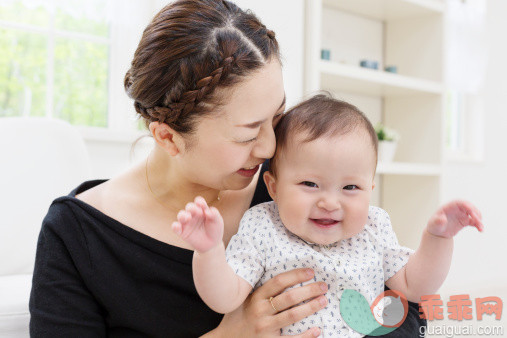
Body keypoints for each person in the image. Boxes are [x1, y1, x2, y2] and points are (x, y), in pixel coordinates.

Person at [28, 0, 425, 337]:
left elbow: (404, 309)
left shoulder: (293, 183)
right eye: (247, 133)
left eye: (277, 116)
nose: (270, 146)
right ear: (167, 137)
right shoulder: (77, 235)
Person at [171, 94, 484, 337]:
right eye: (310, 184)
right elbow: (224, 299)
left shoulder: (373, 227)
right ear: (274, 186)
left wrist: (438, 238)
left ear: (370, 188)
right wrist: (209, 250)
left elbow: (415, 287)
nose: (330, 202)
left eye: (350, 187)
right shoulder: (262, 225)